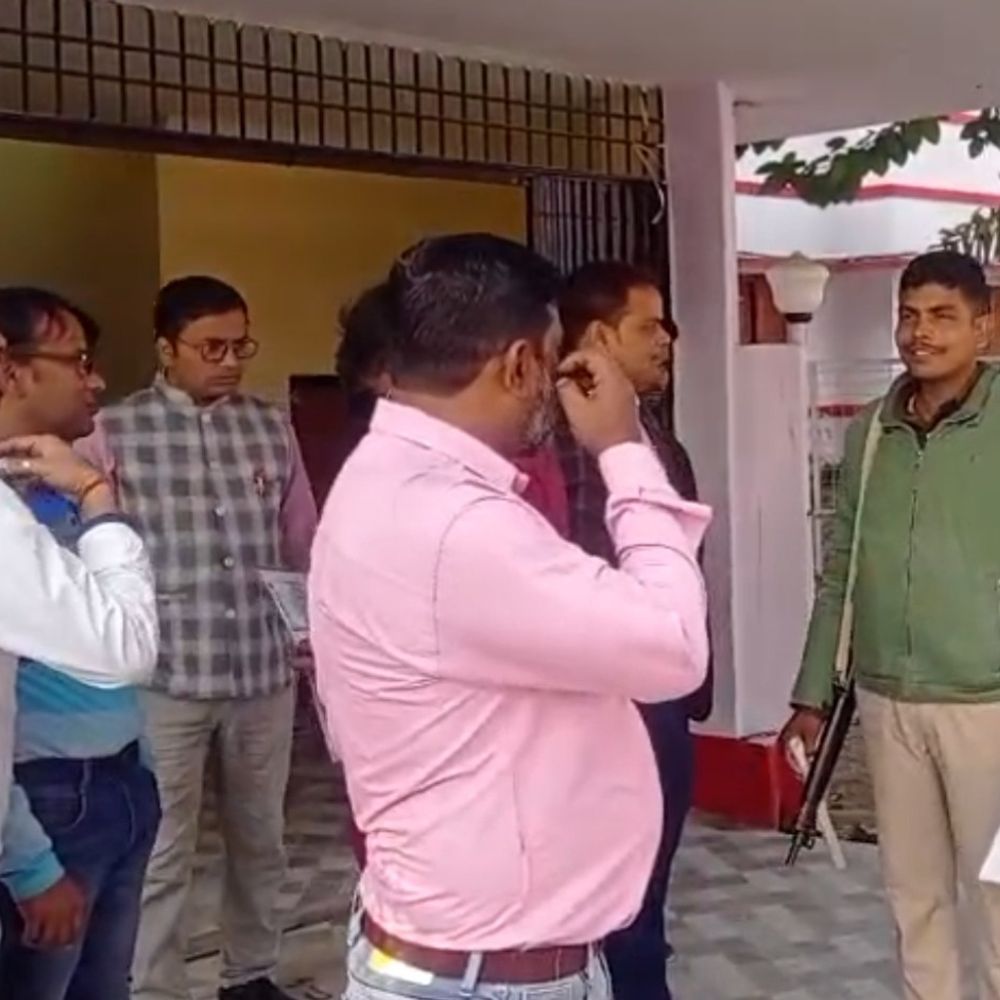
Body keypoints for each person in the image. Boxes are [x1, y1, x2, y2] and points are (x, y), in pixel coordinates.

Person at [309, 233, 711, 1000]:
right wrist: (624, 449)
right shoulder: (453, 523)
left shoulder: (388, 478)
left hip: (464, 952)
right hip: (485, 974)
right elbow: (674, 643)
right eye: (552, 358)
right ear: (521, 364)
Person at [79, 276, 318, 1000]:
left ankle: (251, 973)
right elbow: (88, 546)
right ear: (166, 348)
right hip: (165, 676)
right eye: (211, 347)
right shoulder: (112, 431)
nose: (230, 361)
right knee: (162, 847)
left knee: (261, 837)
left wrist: (312, 635)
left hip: (261, 671)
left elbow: (302, 540)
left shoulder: (271, 426)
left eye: (240, 345)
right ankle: (152, 985)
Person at [782, 250, 1000, 1000]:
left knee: (997, 900)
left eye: (942, 316)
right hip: (886, 702)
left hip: (987, 705)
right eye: (909, 315)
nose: (920, 333)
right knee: (915, 899)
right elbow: (841, 567)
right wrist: (812, 694)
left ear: (983, 327)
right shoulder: (872, 431)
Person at [554, 260, 712, 1000]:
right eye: (649, 326)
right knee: (621, 898)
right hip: (609, 698)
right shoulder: (567, 444)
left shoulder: (652, 436)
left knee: (649, 889)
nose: (667, 339)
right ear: (597, 337)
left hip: (661, 694)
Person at [0, 288, 159, 988]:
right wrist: (28, 861)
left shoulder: (45, 488)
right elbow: (123, 645)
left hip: (115, 780)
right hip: (47, 802)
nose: (96, 381)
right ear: (11, 370)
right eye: (79, 361)